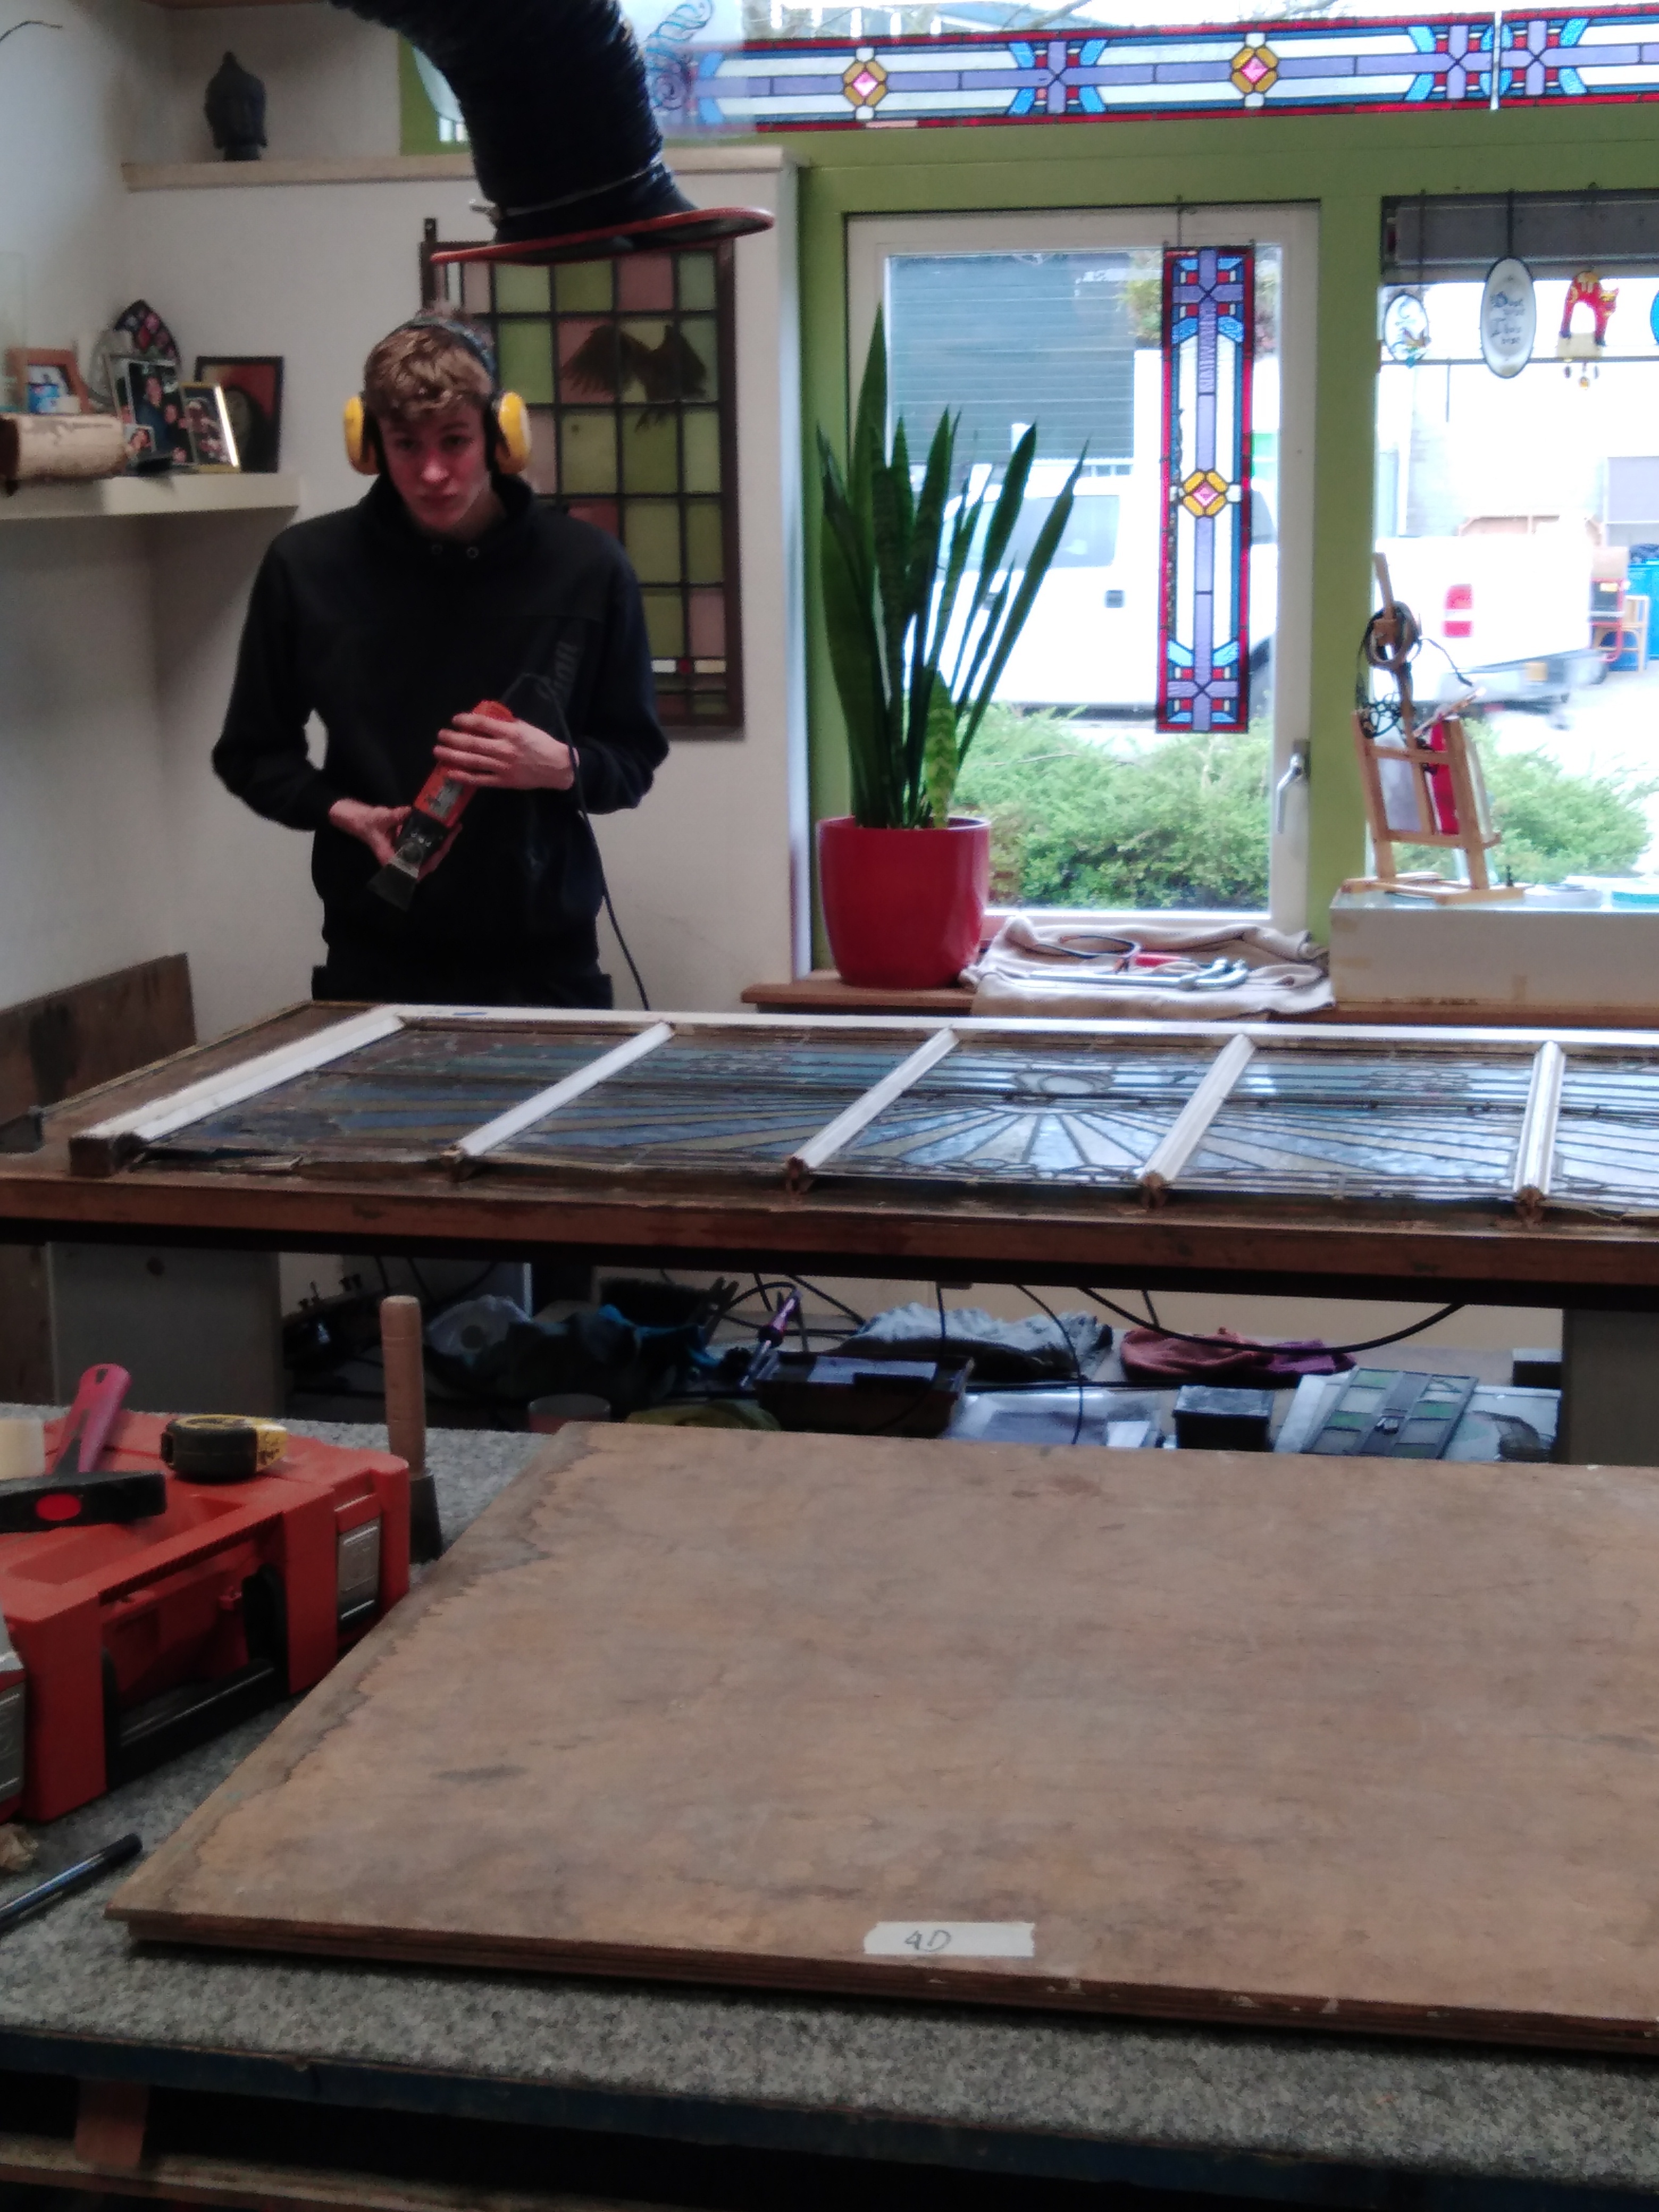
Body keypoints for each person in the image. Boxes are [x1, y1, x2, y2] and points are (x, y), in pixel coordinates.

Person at [212, 315, 667, 1006]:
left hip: (546, 966)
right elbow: (251, 754)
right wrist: (343, 812)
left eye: (455, 441)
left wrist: (558, 765)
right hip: (374, 962)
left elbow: (632, 760)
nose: (432, 473)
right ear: (370, 444)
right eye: (406, 444)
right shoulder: (306, 569)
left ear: (500, 436)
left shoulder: (588, 569)